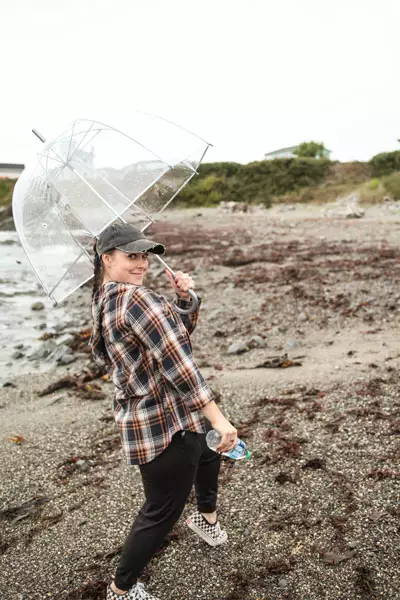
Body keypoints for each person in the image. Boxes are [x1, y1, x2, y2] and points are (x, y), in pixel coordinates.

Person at [89, 221, 238, 600]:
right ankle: (121, 589)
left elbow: (171, 334)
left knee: (207, 453)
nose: (141, 264)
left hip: (159, 413)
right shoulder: (137, 300)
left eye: (144, 256)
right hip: (160, 422)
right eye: (131, 256)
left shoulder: (107, 298)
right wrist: (218, 418)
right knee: (160, 511)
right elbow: (178, 363)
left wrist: (184, 298)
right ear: (107, 258)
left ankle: (206, 520)